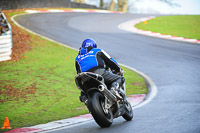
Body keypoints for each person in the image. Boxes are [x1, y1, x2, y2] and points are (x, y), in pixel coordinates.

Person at [75, 38, 125, 103]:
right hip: (98, 72)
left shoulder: (77, 58)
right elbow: (110, 60)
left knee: (84, 92)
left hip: (83, 78)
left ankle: (85, 99)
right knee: (120, 78)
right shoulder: (97, 51)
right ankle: (114, 90)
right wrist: (118, 70)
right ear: (94, 46)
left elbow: (78, 71)